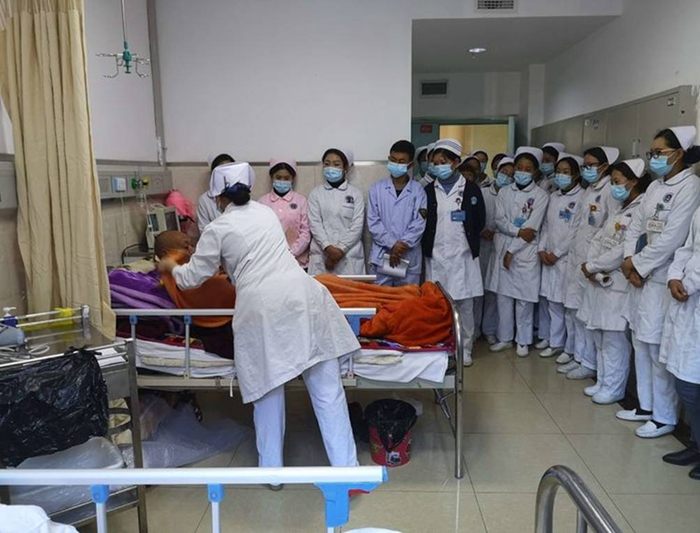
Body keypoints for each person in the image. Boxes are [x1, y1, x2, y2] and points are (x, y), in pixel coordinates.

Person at [158, 162, 359, 478]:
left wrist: (170, 266)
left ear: (218, 197)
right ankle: (348, 470)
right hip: (304, 295)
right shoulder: (265, 213)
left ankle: (272, 472)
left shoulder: (217, 229)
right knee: (327, 390)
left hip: (264, 308)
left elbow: (192, 278)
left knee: (268, 390)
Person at [618, 126, 700, 438]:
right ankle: (645, 406)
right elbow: (636, 226)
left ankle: (664, 417)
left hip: (661, 277)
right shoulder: (655, 187)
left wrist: (638, 265)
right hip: (639, 275)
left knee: (656, 349)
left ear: (678, 154)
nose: (654, 158)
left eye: (659, 152)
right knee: (640, 342)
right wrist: (629, 260)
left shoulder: (690, 187)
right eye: (651, 153)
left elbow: (673, 238)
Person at [578, 159, 650, 405]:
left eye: (617, 182)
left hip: (618, 282)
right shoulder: (620, 207)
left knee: (613, 339)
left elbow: (623, 249)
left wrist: (594, 266)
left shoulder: (640, 209)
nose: (614, 187)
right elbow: (599, 238)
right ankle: (602, 380)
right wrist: (592, 265)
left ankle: (614, 388)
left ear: (633, 182)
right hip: (602, 279)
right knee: (599, 335)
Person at [421, 138, 486, 366]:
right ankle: (442, 344)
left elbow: (479, 221)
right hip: (436, 254)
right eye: (436, 162)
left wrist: (466, 243)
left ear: (456, 162)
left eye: (444, 162)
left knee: (464, 304)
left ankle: (464, 348)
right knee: (438, 305)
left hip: (463, 255)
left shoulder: (470, 189)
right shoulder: (428, 190)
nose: (439, 166)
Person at [557, 146, 619, 377]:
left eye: (591, 165)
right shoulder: (590, 190)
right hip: (579, 256)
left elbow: (610, 228)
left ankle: (588, 363)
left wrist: (595, 261)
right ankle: (577, 355)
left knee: (586, 314)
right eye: (584, 165)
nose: (586, 169)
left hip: (593, 259)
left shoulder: (609, 190)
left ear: (604, 166)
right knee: (575, 310)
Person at [486, 147, 549, 357]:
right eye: (519, 168)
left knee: (524, 300)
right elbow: (499, 220)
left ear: (535, 172)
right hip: (504, 245)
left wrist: (512, 249)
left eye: (528, 169)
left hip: (526, 252)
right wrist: (518, 231)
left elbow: (533, 227)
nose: (522, 172)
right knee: (503, 297)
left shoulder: (540, 195)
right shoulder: (504, 192)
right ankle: (505, 338)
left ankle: (523, 340)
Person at [661, 201, 700, 479]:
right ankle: (697, 444)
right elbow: (688, 248)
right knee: (686, 385)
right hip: (688, 302)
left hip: (692, 293)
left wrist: (688, 284)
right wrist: (674, 277)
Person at [155, 230, 237, 360]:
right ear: (166, 254)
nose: (192, 250)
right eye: (185, 246)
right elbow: (208, 285)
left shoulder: (189, 268)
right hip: (214, 328)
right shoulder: (172, 275)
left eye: (192, 245)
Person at [535, 154, 585, 359]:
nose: (561, 175)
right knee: (548, 300)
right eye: (559, 172)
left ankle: (563, 345)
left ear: (575, 175)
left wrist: (556, 253)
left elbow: (575, 230)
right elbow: (546, 225)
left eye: (566, 172)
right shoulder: (553, 196)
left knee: (564, 304)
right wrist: (541, 248)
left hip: (565, 258)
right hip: (548, 255)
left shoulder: (581, 197)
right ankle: (550, 338)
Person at [368, 140, 427, 286]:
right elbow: (373, 222)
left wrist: (401, 246)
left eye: (402, 161)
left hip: (408, 257)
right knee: (381, 298)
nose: (396, 164)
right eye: (393, 160)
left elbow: (419, 223)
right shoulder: (377, 189)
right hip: (382, 256)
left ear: (410, 165)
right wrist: (393, 244)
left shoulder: (418, 191)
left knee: (407, 298)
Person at [308, 148, 366, 275]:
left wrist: (340, 250)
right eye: (327, 164)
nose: (331, 168)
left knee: (349, 288)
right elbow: (315, 224)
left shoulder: (355, 194)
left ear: (345, 168)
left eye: (336, 164)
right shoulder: (316, 194)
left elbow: (357, 226)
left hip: (349, 255)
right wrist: (328, 247)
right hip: (322, 254)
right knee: (320, 287)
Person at [475, 156, 514, 345]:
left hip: (501, 246)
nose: (506, 176)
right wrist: (481, 230)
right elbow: (475, 216)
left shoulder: (512, 196)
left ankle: (489, 330)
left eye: (510, 174)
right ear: (496, 171)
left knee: (493, 291)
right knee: (477, 290)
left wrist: (497, 232)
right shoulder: (482, 193)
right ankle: (475, 329)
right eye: (503, 171)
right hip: (481, 246)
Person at [258, 158, 311, 269]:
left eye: (286, 178)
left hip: (297, 262)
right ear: (271, 177)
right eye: (278, 177)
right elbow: (259, 232)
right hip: (270, 261)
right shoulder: (262, 202)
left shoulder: (301, 201)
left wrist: (291, 253)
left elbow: (306, 232)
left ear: (293, 178)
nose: (282, 181)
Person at [197, 153, 235, 233]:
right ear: (213, 175)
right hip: (214, 240)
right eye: (221, 171)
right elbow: (204, 231)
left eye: (228, 170)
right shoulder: (204, 200)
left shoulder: (241, 194)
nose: (225, 175)